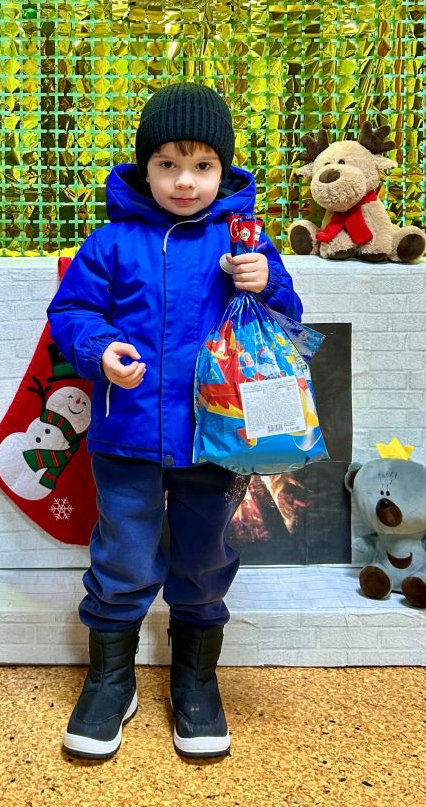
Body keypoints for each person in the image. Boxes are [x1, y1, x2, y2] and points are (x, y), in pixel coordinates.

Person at [46, 82, 302, 760]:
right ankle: (111, 680)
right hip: (125, 432)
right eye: (167, 164)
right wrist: (101, 351)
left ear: (223, 169)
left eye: (201, 165)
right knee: (123, 556)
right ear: (145, 168)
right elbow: (71, 313)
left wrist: (268, 283)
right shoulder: (111, 243)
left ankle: (195, 680)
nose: (184, 181)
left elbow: (288, 317)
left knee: (205, 556)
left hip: (216, 436)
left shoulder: (245, 238)